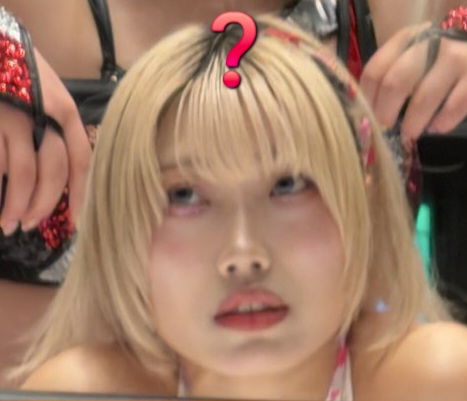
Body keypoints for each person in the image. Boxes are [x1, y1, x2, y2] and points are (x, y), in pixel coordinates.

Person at [8, 16, 467, 400]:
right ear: (119, 228)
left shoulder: (440, 381)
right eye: (184, 196)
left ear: (363, 200)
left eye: (288, 185)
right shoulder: (79, 391)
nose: (244, 254)